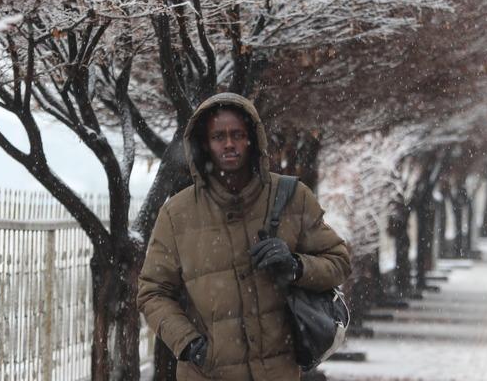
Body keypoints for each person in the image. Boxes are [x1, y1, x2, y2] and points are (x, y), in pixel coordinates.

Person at [137, 92, 351, 380]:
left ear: (252, 139)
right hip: (206, 373)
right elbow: (153, 292)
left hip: (277, 372)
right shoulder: (177, 214)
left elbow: (339, 262)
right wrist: (187, 342)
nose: (228, 144)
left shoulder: (292, 199)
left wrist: (296, 266)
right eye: (218, 136)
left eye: (237, 134)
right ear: (204, 143)